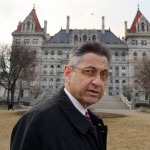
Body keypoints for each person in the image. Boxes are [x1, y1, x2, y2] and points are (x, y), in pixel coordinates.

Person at [10, 41, 110, 150]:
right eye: (89, 71)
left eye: (104, 75)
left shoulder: (93, 122)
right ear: (68, 73)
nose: (98, 82)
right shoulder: (36, 122)